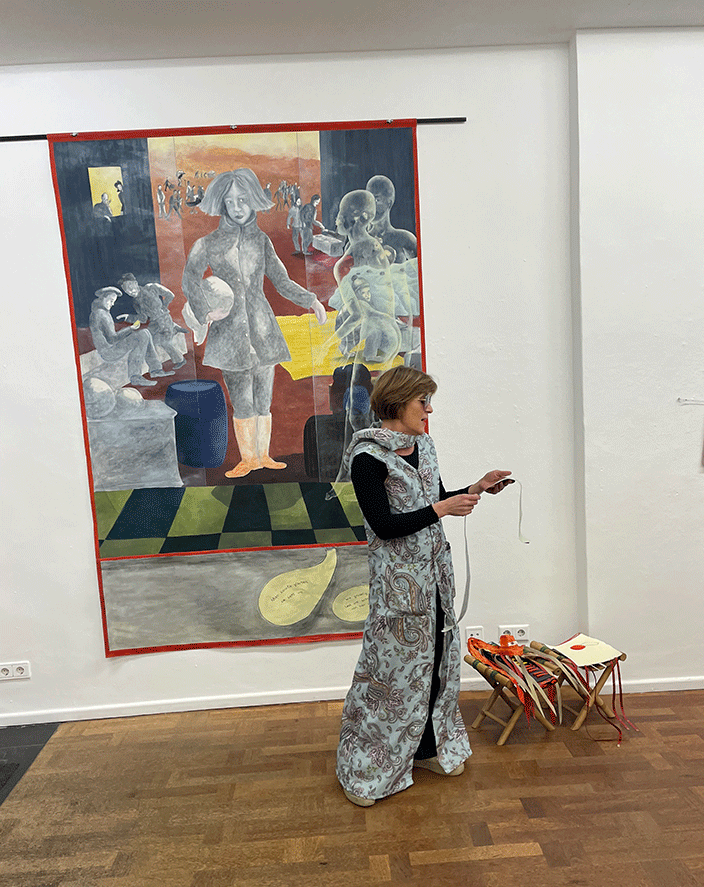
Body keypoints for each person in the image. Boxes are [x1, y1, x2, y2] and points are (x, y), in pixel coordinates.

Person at [336, 366, 514, 806]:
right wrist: (443, 509)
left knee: (436, 666)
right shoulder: (367, 458)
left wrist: (475, 488)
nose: (429, 410)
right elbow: (384, 525)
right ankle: (368, 771)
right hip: (398, 589)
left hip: (435, 579)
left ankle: (428, 750)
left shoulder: (425, 447)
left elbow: (432, 500)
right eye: (423, 402)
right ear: (398, 403)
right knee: (390, 677)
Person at [182, 167, 326, 477]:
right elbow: (190, 279)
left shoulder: (261, 240)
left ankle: (263, 455)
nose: (236, 207)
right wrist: (204, 311)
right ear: (221, 203)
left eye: (242, 200)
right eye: (230, 201)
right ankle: (248, 459)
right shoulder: (207, 243)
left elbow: (281, 279)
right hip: (228, 334)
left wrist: (311, 300)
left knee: (264, 400)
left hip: (263, 330)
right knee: (242, 402)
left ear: (253, 201)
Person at [88, 287, 167, 388]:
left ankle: (156, 369)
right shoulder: (101, 314)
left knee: (145, 332)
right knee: (142, 335)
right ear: (103, 298)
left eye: (113, 301)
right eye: (111, 300)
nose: (112, 304)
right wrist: (130, 328)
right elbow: (112, 339)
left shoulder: (100, 312)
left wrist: (130, 329)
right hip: (108, 352)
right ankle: (136, 376)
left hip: (110, 348)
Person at [117, 273, 187, 371]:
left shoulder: (151, 287)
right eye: (126, 290)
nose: (129, 291)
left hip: (164, 319)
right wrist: (128, 317)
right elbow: (143, 319)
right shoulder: (135, 302)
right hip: (154, 324)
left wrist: (164, 306)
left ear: (136, 283)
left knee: (164, 342)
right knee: (147, 341)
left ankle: (180, 360)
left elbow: (170, 295)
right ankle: (154, 368)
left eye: (130, 286)